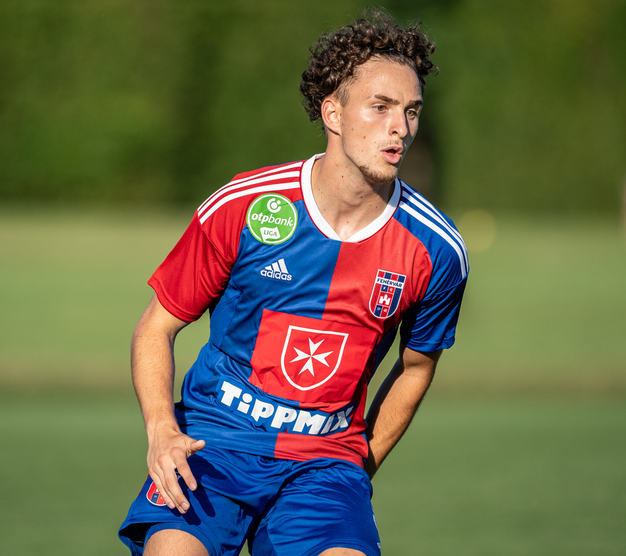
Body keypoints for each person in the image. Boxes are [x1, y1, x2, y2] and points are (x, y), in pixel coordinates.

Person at [119, 9, 468, 556]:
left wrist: (358, 467)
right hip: (212, 446)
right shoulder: (245, 205)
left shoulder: (437, 249)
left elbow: (416, 367)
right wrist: (162, 430)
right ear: (333, 112)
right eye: (380, 107)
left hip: (324, 467)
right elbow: (155, 327)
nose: (400, 127)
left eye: (411, 111)